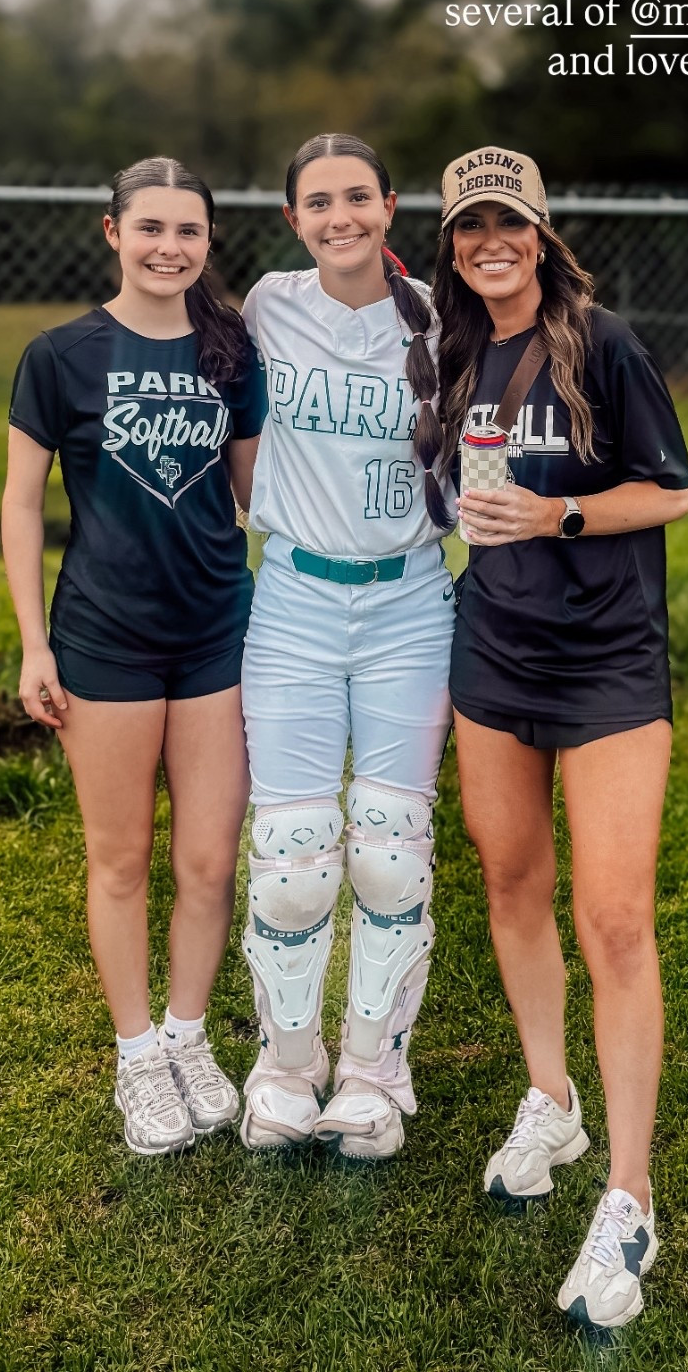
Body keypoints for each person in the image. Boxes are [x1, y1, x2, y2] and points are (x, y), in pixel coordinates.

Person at [433, 145, 688, 1335]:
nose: (493, 240)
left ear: (541, 233)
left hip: (607, 664)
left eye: (512, 222)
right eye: (471, 224)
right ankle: (552, 1095)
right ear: (451, 240)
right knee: (511, 880)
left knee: (616, 915)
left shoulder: (606, 342)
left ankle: (630, 1192)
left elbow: (672, 490)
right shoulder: (449, 350)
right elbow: (448, 491)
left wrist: (561, 511)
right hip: (493, 651)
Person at [1, 157, 266, 1155]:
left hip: (215, 631)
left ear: (209, 241)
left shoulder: (230, 352)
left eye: (188, 230)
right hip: (104, 635)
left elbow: (255, 495)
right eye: (149, 226)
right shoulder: (61, 355)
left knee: (206, 857)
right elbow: (22, 502)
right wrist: (35, 641)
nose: (169, 246)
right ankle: (135, 1053)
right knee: (119, 858)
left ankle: (189, 1036)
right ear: (112, 232)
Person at [237, 132, 455, 1162]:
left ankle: (375, 1068)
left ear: (389, 205)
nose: (340, 216)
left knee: (388, 847)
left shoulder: (440, 321)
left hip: (411, 601)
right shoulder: (266, 306)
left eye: (357, 197)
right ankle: (286, 1065)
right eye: (317, 201)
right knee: (290, 864)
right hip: (295, 598)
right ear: (293, 218)